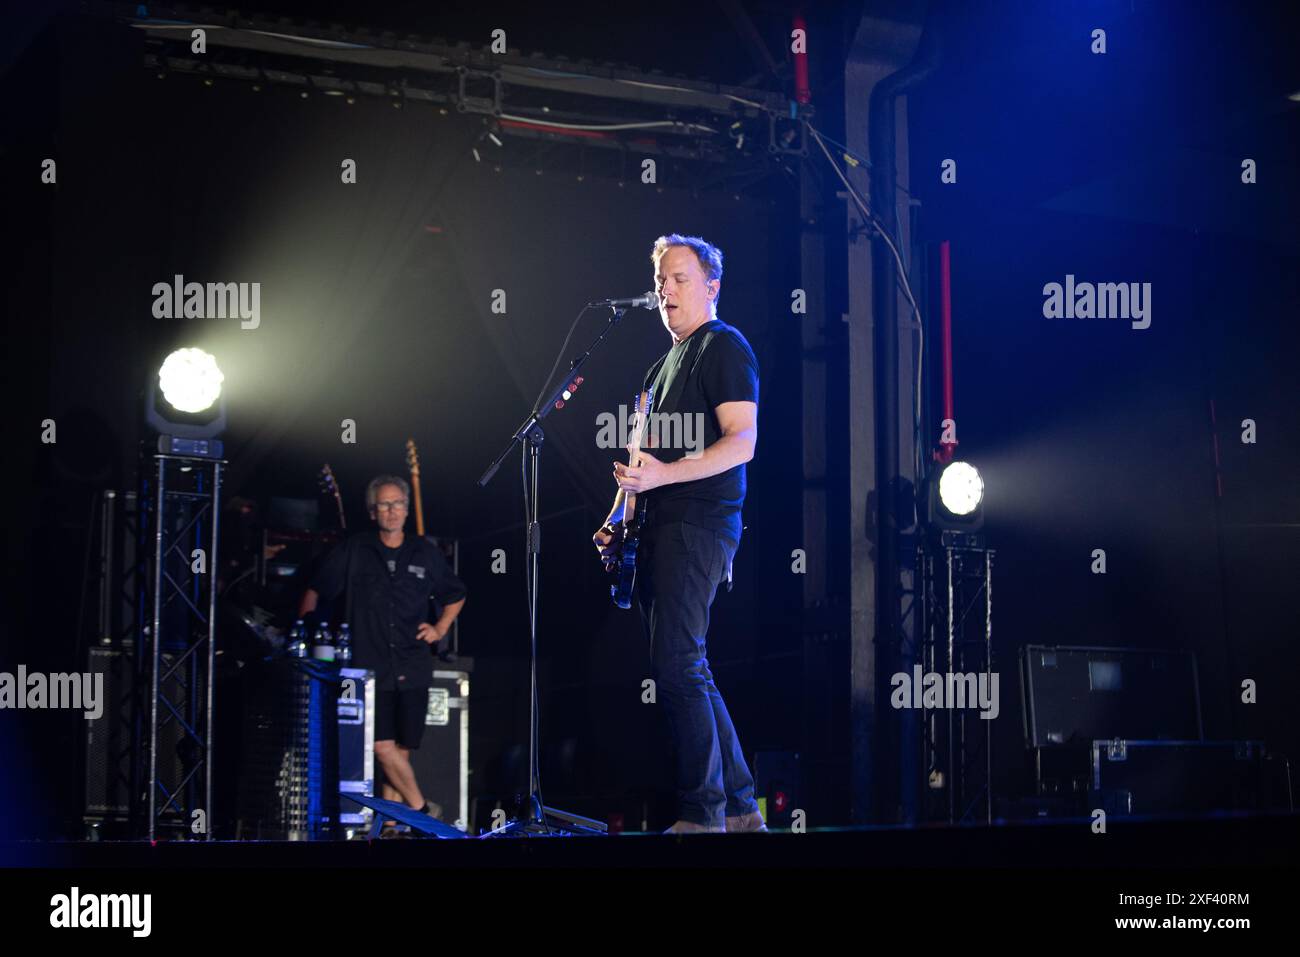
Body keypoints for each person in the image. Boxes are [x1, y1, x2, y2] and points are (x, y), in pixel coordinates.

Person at [593, 234, 766, 833]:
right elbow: (639, 457)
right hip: (659, 529)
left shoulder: (724, 347)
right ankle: (742, 809)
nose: (665, 288)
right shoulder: (656, 367)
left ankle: (704, 813)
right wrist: (619, 514)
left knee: (676, 666)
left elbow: (742, 441)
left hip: (699, 524)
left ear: (711, 285)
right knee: (687, 665)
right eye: (661, 278)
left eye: (679, 277)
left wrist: (668, 474)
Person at [299, 475, 465, 820]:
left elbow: (455, 594)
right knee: (380, 747)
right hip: (367, 668)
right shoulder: (355, 549)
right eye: (384, 505)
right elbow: (316, 589)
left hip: (413, 665)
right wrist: (306, 629)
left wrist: (439, 628)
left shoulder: (425, 552)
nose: (392, 511)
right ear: (373, 512)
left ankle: (390, 823)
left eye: (397, 504)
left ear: (406, 509)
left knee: (400, 752)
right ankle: (421, 811)